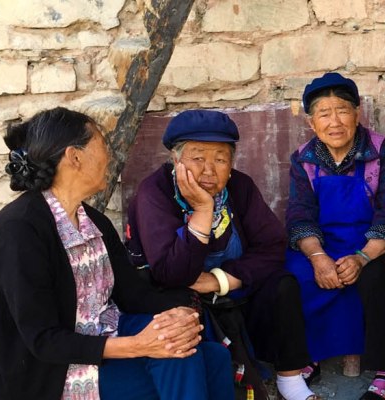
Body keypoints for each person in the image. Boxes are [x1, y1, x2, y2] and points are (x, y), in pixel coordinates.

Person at [0, 107, 233, 400]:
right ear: (75, 157)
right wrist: (139, 345)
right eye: (102, 144)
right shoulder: (20, 229)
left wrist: (180, 311)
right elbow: (43, 340)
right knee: (178, 358)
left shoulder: (93, 221)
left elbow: (131, 294)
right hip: (50, 371)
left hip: (103, 332)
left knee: (212, 357)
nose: (109, 156)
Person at [125, 110, 320, 400]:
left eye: (220, 159)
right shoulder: (154, 193)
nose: (209, 170)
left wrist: (222, 279)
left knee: (283, 285)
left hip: (230, 288)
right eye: (197, 158)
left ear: (231, 165)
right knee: (183, 309)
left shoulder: (240, 187)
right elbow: (170, 272)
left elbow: (272, 245)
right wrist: (204, 210)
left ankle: (290, 380)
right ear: (176, 161)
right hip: (178, 293)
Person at [283, 72, 385, 400]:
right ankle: (311, 354)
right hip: (323, 242)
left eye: (342, 111)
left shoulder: (381, 150)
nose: (334, 121)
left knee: (377, 279)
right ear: (311, 122)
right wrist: (318, 257)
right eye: (324, 113)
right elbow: (300, 213)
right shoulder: (303, 158)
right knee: (297, 275)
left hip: (372, 243)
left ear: (357, 114)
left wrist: (362, 257)